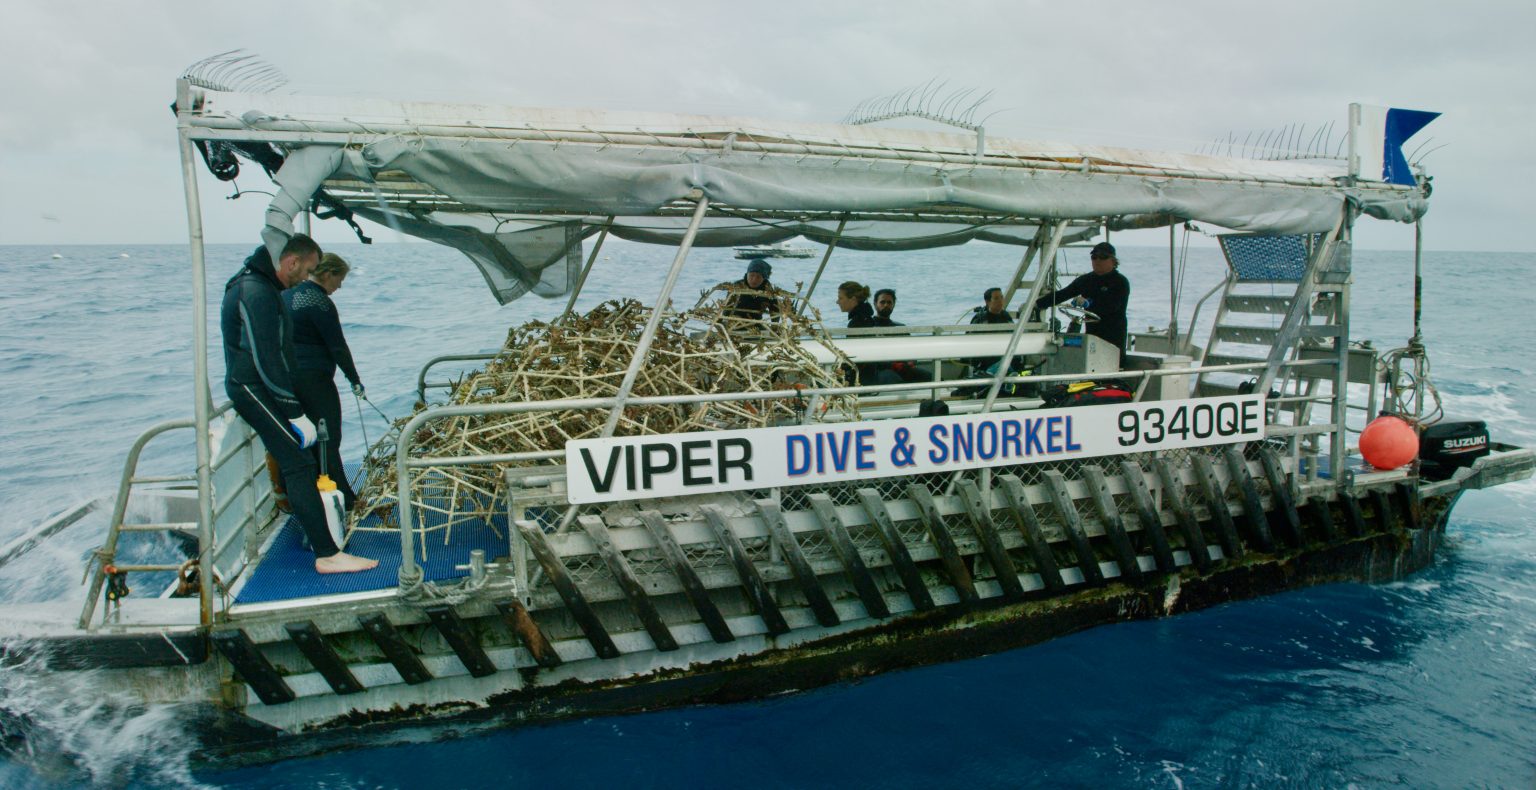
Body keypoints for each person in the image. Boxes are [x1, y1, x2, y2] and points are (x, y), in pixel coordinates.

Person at [221, 234, 378, 575]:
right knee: (299, 464)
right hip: (251, 388)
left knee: (301, 462)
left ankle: (325, 545)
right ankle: (326, 553)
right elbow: (266, 357)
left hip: (269, 388)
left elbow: (281, 353)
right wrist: (293, 410)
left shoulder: (268, 289)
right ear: (291, 261)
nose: (306, 277)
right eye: (306, 270)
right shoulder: (256, 292)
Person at [283, 252, 365, 511]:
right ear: (328, 274)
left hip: (286, 379)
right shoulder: (319, 303)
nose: (338, 287)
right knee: (329, 436)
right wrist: (354, 379)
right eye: (339, 280)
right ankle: (343, 497)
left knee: (301, 439)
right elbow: (337, 346)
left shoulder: (286, 296)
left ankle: (303, 496)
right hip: (314, 379)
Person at [1033, 241, 1131, 353]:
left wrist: (1088, 303)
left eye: (1103, 257)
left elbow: (1111, 306)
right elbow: (1063, 294)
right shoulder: (1086, 280)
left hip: (1114, 335)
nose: (1097, 260)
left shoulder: (1120, 282)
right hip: (1092, 335)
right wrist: (1037, 304)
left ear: (1113, 261)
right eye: (1094, 257)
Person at [722, 258, 783, 322]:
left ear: (764, 279)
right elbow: (727, 308)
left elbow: (775, 309)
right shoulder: (737, 286)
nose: (754, 279)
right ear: (747, 274)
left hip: (755, 323)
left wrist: (774, 327)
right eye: (751, 275)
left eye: (758, 277)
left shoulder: (768, 290)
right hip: (734, 322)